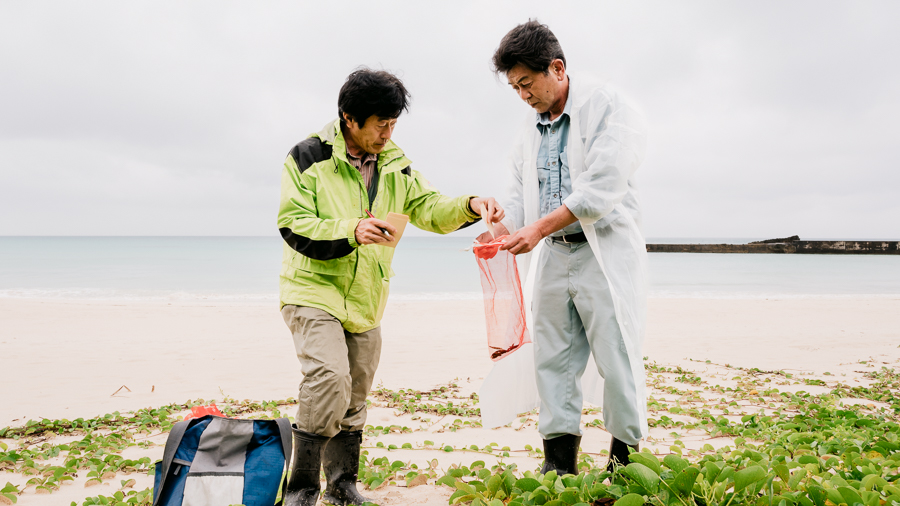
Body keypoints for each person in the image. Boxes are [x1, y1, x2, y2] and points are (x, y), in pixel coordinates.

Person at [277, 68, 504, 506]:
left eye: (394, 123)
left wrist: (472, 205)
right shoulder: (306, 157)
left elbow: (429, 207)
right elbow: (293, 222)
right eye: (381, 123)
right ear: (349, 118)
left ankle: (342, 486)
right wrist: (353, 230)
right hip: (311, 290)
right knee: (328, 380)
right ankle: (301, 490)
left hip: (366, 297)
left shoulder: (396, 163)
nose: (387, 133)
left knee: (355, 392)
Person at [482, 20, 649, 475]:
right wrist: (500, 227)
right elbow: (520, 197)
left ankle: (624, 464)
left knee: (617, 357)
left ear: (556, 68)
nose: (523, 95)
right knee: (552, 358)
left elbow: (600, 190)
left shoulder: (608, 107)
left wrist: (533, 230)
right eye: (515, 87)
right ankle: (559, 466)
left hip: (604, 250)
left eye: (527, 83)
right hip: (555, 252)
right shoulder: (528, 131)